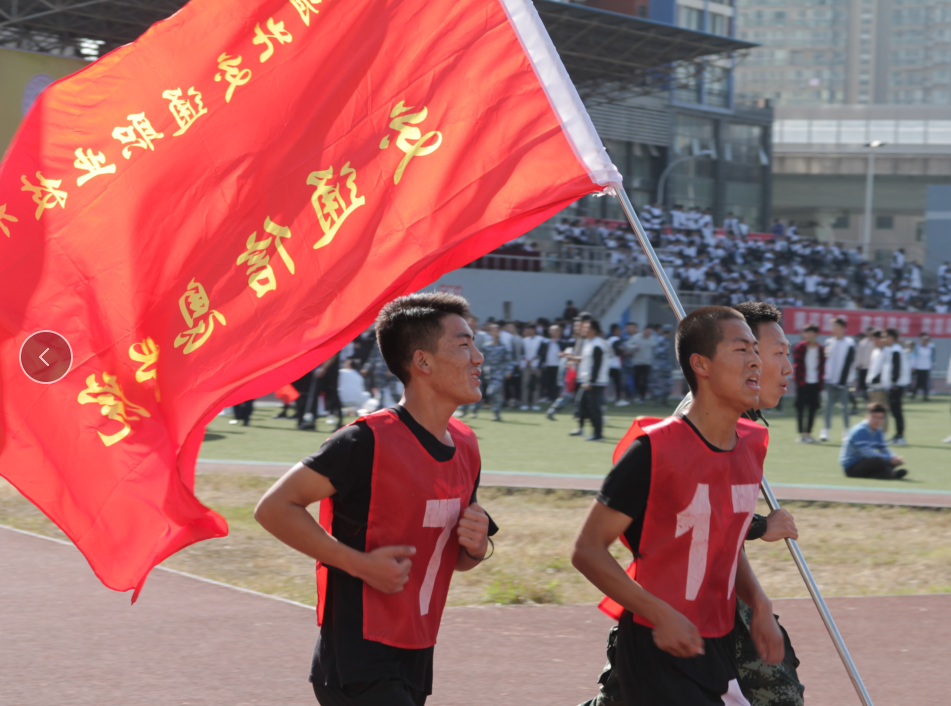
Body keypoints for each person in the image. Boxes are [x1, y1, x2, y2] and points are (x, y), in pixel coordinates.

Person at [254, 292, 496, 706]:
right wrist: (359, 564)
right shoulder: (365, 440)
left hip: (418, 651)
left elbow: (455, 557)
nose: (478, 358)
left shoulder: (467, 445)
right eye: (463, 344)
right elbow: (274, 508)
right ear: (422, 362)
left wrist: (476, 547)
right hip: (358, 656)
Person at [579, 302, 804, 706]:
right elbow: (590, 550)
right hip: (660, 633)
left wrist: (759, 602)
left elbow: (722, 535)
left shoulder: (750, 444)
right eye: (746, 350)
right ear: (702, 364)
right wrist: (660, 613)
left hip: (715, 633)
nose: (764, 363)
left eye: (760, 352)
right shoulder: (660, 446)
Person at [840, 403, 908, 479]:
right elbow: (867, 453)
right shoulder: (860, 430)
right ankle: (890, 474)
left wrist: (894, 457)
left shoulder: (879, 431)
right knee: (879, 461)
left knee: (886, 461)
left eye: (880, 418)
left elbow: (883, 448)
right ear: (867, 416)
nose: (877, 420)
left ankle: (886, 474)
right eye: (874, 417)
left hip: (866, 462)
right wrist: (889, 459)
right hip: (851, 467)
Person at [869, 328, 910, 445]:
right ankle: (898, 436)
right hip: (894, 385)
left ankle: (900, 436)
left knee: (897, 412)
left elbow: (896, 368)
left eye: (884, 337)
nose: (883, 339)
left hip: (896, 385)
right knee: (895, 412)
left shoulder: (896, 350)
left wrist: (894, 383)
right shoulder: (892, 349)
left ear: (891, 337)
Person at [571, 319, 609, 441]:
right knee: (583, 405)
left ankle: (598, 434)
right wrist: (574, 358)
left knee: (594, 408)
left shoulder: (598, 344)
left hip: (595, 382)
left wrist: (591, 381)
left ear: (593, 330)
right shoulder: (589, 342)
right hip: (586, 380)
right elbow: (587, 360)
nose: (583, 330)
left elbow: (597, 365)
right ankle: (587, 430)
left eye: (586, 328)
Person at [819, 317, 855, 442]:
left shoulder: (849, 343)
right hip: (829, 380)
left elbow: (849, 362)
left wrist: (843, 381)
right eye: (832, 326)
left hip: (844, 382)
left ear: (842, 327)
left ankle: (846, 431)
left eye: (835, 326)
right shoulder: (828, 342)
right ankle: (825, 431)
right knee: (827, 407)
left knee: (844, 407)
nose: (833, 329)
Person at [792, 324, 824, 443]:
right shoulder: (799, 347)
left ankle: (808, 433)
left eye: (811, 332)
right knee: (800, 408)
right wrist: (799, 380)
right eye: (806, 332)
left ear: (816, 334)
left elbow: (822, 366)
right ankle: (802, 434)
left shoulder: (820, 348)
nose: (808, 335)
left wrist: (821, 382)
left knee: (813, 408)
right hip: (802, 382)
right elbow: (797, 365)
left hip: (816, 383)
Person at [478, 323, 513, 422]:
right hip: (488, 373)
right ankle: (496, 413)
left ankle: (497, 411)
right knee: (491, 394)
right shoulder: (486, 346)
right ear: (490, 333)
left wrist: (508, 371)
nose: (494, 333)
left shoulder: (504, 346)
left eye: (496, 331)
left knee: (492, 392)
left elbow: (509, 360)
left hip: (499, 373)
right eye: (492, 331)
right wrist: (480, 369)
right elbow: (482, 359)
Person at [627, 326, 656, 404]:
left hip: (647, 363)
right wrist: (635, 347)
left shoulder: (652, 339)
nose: (648, 334)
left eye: (650, 332)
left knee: (645, 380)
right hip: (637, 363)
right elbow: (628, 345)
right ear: (644, 331)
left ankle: (643, 396)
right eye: (647, 332)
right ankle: (638, 394)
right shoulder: (636, 337)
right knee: (636, 380)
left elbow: (655, 347)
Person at [647, 324, 674, 406]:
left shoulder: (661, 339)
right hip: (660, 366)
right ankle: (657, 401)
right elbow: (658, 352)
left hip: (662, 366)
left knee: (665, 383)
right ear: (670, 332)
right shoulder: (661, 340)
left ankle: (662, 400)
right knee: (659, 383)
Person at [520, 324, 543, 410]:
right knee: (525, 385)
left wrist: (534, 362)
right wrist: (526, 361)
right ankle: (524, 403)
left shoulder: (540, 339)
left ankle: (535, 403)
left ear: (534, 330)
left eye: (530, 329)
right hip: (526, 365)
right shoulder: (524, 340)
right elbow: (522, 353)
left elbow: (542, 353)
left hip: (536, 366)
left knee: (536, 385)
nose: (528, 331)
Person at [910, 333, 935, 401]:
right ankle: (914, 394)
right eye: (923, 340)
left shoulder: (931, 348)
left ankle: (925, 396)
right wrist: (913, 366)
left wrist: (932, 365)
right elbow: (914, 357)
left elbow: (932, 358)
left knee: (926, 382)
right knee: (918, 382)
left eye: (926, 340)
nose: (925, 342)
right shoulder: (917, 348)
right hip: (919, 367)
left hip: (927, 367)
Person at [606, 323, 627, 405]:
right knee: (618, 383)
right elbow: (617, 352)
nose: (620, 332)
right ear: (614, 331)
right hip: (614, 364)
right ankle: (619, 400)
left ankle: (608, 397)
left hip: (607, 363)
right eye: (619, 330)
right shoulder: (616, 339)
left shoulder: (608, 339)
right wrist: (622, 349)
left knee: (607, 382)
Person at [854, 328, 876, 403]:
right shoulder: (863, 342)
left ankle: (872, 400)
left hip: (872, 368)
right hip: (863, 367)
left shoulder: (875, 342)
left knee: (871, 385)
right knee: (863, 385)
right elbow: (858, 354)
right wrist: (857, 364)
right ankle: (866, 400)